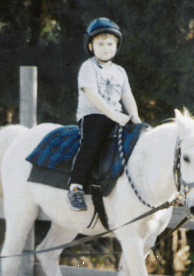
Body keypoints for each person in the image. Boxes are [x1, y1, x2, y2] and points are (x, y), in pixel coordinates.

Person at [67, 17, 141, 211]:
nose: (106, 48)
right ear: (91, 46)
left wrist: (134, 115)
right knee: (91, 142)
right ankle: (75, 187)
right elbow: (91, 94)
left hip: (116, 115)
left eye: (110, 43)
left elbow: (127, 95)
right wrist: (113, 115)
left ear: (116, 46)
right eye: (100, 44)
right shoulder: (88, 67)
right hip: (93, 114)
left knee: (138, 137)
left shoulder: (120, 71)